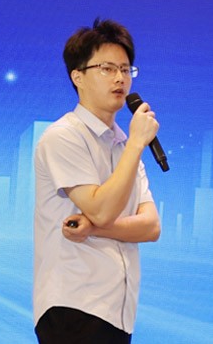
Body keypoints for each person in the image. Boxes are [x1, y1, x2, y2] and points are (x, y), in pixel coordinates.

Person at [33, 19, 161, 343]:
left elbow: (150, 227)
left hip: (117, 311)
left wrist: (92, 228)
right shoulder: (63, 136)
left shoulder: (124, 145)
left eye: (126, 69)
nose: (120, 78)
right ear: (77, 76)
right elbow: (101, 209)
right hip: (73, 306)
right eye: (107, 68)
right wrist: (137, 143)